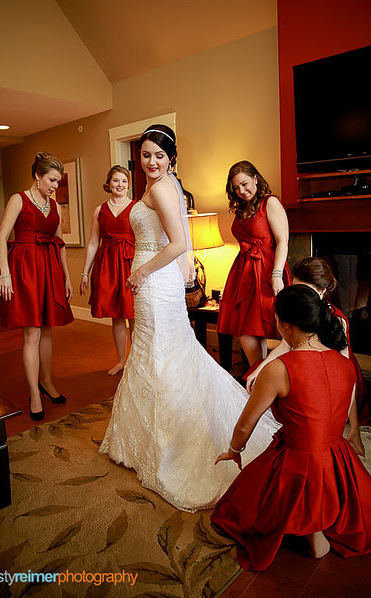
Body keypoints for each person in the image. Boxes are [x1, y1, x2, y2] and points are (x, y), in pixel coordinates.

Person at [98, 125, 279, 512]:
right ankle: (149, 436)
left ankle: (169, 443)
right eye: (146, 154)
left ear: (171, 158)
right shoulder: (161, 185)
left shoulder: (162, 188)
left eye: (159, 156)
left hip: (152, 279)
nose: (151, 161)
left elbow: (179, 243)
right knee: (159, 351)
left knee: (158, 353)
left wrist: (142, 272)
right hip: (156, 280)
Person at [212, 285, 371, 571]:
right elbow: (345, 409)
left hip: (300, 460)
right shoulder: (345, 363)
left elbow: (247, 422)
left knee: (234, 509)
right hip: (339, 458)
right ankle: (323, 518)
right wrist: (353, 432)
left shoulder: (279, 368)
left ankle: (313, 527)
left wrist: (234, 450)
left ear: (285, 325)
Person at [247, 257, 368, 459]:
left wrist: (354, 427)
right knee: (259, 378)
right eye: (295, 287)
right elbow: (286, 345)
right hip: (308, 368)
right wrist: (260, 368)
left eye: (304, 289)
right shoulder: (299, 311)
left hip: (332, 376)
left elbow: (347, 377)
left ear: (322, 291)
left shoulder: (335, 320)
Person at [0, 152, 74, 421]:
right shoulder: (18, 200)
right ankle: (34, 393)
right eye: (51, 180)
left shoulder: (55, 206)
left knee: (48, 329)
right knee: (32, 332)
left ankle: (46, 382)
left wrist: (66, 277)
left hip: (50, 269)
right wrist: (5, 274)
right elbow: (2, 238)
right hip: (25, 270)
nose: (55, 186)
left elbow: (59, 244)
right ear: (37, 176)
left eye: (58, 182)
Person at [217, 161, 291, 366]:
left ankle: (259, 374)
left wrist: (277, 274)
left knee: (253, 327)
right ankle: (259, 374)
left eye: (245, 184)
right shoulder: (243, 207)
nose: (241, 191)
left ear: (256, 179)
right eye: (236, 188)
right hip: (244, 272)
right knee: (248, 328)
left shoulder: (270, 203)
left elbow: (283, 241)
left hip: (266, 269)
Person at [80, 165, 136, 375]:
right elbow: (93, 242)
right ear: (108, 183)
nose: (120, 184)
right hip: (107, 266)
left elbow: (143, 240)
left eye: (124, 181)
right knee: (116, 316)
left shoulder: (137, 208)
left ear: (128, 185)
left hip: (130, 263)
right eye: (116, 180)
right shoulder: (99, 210)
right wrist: (85, 272)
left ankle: (136, 363)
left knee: (134, 315)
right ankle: (121, 361)